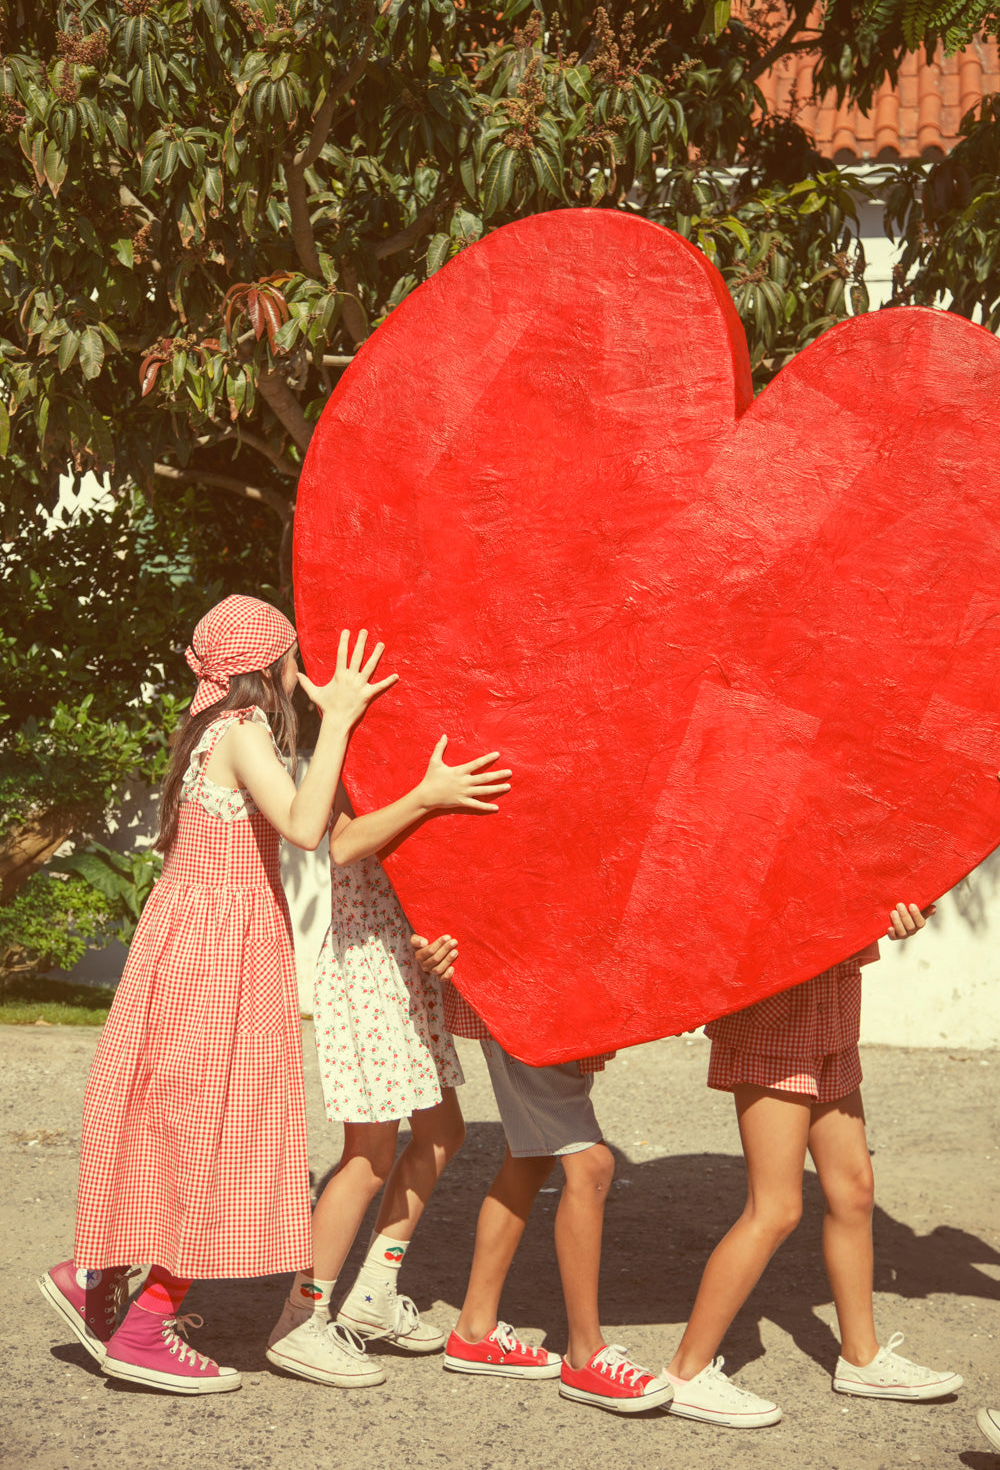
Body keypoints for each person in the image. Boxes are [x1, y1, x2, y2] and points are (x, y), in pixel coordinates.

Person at [39, 597, 397, 1395]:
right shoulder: (242, 732)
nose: (298, 671)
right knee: (220, 1129)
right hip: (223, 953)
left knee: (173, 1118)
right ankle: (145, 1327)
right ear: (264, 667)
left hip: (189, 940)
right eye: (290, 657)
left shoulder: (206, 729)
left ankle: (95, 1276)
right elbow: (303, 825)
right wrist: (340, 718)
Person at [265, 737, 512, 1388]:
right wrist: (428, 795)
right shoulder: (352, 746)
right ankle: (299, 1321)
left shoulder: (410, 741)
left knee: (443, 1133)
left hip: (404, 969)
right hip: (368, 972)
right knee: (368, 1157)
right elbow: (343, 844)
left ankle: (372, 1294)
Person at [663, 903, 964, 1428]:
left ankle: (862, 1358)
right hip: (774, 1014)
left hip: (833, 1007)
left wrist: (901, 908)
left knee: (854, 1190)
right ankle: (684, 1374)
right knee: (775, 1208)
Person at [409, 935, 673, 1416]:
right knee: (592, 1165)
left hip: (549, 984)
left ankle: (474, 1330)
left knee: (530, 1156)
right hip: (522, 985)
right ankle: (585, 1357)